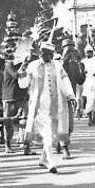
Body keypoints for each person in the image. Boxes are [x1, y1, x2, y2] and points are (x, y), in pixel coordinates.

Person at [19, 42, 77, 173]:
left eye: (50, 54)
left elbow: (65, 81)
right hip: (39, 107)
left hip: (56, 106)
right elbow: (23, 84)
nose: (48, 56)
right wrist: (23, 71)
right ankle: (50, 162)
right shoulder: (32, 66)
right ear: (40, 53)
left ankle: (43, 158)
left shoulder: (58, 65)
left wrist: (70, 95)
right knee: (47, 134)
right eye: (45, 54)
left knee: (51, 134)